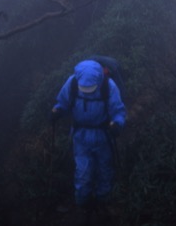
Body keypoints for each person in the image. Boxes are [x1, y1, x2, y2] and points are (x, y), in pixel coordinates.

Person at [52, 59, 127, 219]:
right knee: (83, 172)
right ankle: (83, 205)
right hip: (80, 136)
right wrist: (57, 111)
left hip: (102, 135)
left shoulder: (108, 86)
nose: (87, 91)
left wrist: (117, 124)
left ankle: (102, 202)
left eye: (90, 89)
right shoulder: (72, 83)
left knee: (105, 170)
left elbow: (118, 111)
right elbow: (63, 103)